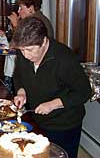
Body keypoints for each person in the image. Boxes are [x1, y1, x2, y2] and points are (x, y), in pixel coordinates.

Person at [12, 16, 91, 158]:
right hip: (37, 120)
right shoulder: (24, 50)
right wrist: (22, 92)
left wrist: (53, 104)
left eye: (29, 50)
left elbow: (84, 91)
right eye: (22, 50)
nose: (25, 55)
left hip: (64, 124)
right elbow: (18, 75)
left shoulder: (65, 59)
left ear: (44, 41)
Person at [0, 0, 55, 94]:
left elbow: (21, 42)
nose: (18, 11)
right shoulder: (33, 19)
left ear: (31, 8)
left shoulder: (37, 22)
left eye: (21, 8)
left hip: (40, 70)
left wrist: (16, 24)